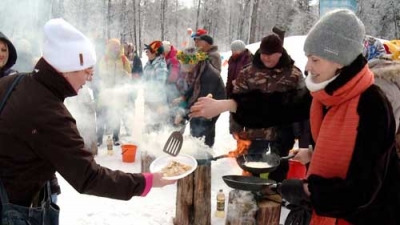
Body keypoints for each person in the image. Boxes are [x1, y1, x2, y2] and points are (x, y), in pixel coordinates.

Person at [0, 18, 175, 225]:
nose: (90, 78)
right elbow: (89, 177)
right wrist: (146, 181)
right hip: (15, 210)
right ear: (65, 69)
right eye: (86, 71)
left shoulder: (13, 81)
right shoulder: (50, 113)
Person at [278, 9, 400, 225]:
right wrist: (312, 154)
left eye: (315, 59)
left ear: (340, 61)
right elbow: (282, 108)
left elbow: (362, 189)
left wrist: (307, 190)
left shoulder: (372, 104)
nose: (307, 67)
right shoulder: (325, 94)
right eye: (308, 58)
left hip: (365, 217)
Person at [229, 33, 304, 182]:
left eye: (271, 54)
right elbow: (236, 102)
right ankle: (252, 197)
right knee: (252, 167)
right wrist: (235, 127)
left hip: (282, 133)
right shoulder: (247, 73)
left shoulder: (294, 74)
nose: (266, 58)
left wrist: (300, 133)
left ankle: (275, 196)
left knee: (279, 167)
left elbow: (301, 105)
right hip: (254, 132)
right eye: (264, 54)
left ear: (280, 53)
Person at [176, 47, 225, 147]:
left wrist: (183, 114)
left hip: (213, 104)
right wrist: (184, 97)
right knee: (195, 125)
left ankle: (205, 154)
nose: (183, 68)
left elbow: (200, 101)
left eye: (184, 65)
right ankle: (196, 142)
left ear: (192, 63)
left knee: (204, 129)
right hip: (203, 101)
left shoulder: (209, 75)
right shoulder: (199, 68)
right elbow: (194, 86)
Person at [96, 38, 132, 146]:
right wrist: (106, 75)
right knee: (102, 114)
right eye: (113, 47)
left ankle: (116, 137)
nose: (115, 49)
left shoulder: (124, 59)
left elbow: (129, 74)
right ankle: (99, 138)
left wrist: (125, 74)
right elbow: (101, 73)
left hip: (118, 92)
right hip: (106, 92)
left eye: (117, 47)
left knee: (116, 114)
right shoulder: (105, 59)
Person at [142, 40, 169, 132]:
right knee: (148, 126)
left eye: (148, 51)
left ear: (155, 52)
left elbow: (160, 84)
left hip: (158, 102)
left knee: (157, 128)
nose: (146, 53)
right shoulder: (147, 65)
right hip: (149, 100)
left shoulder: (160, 65)